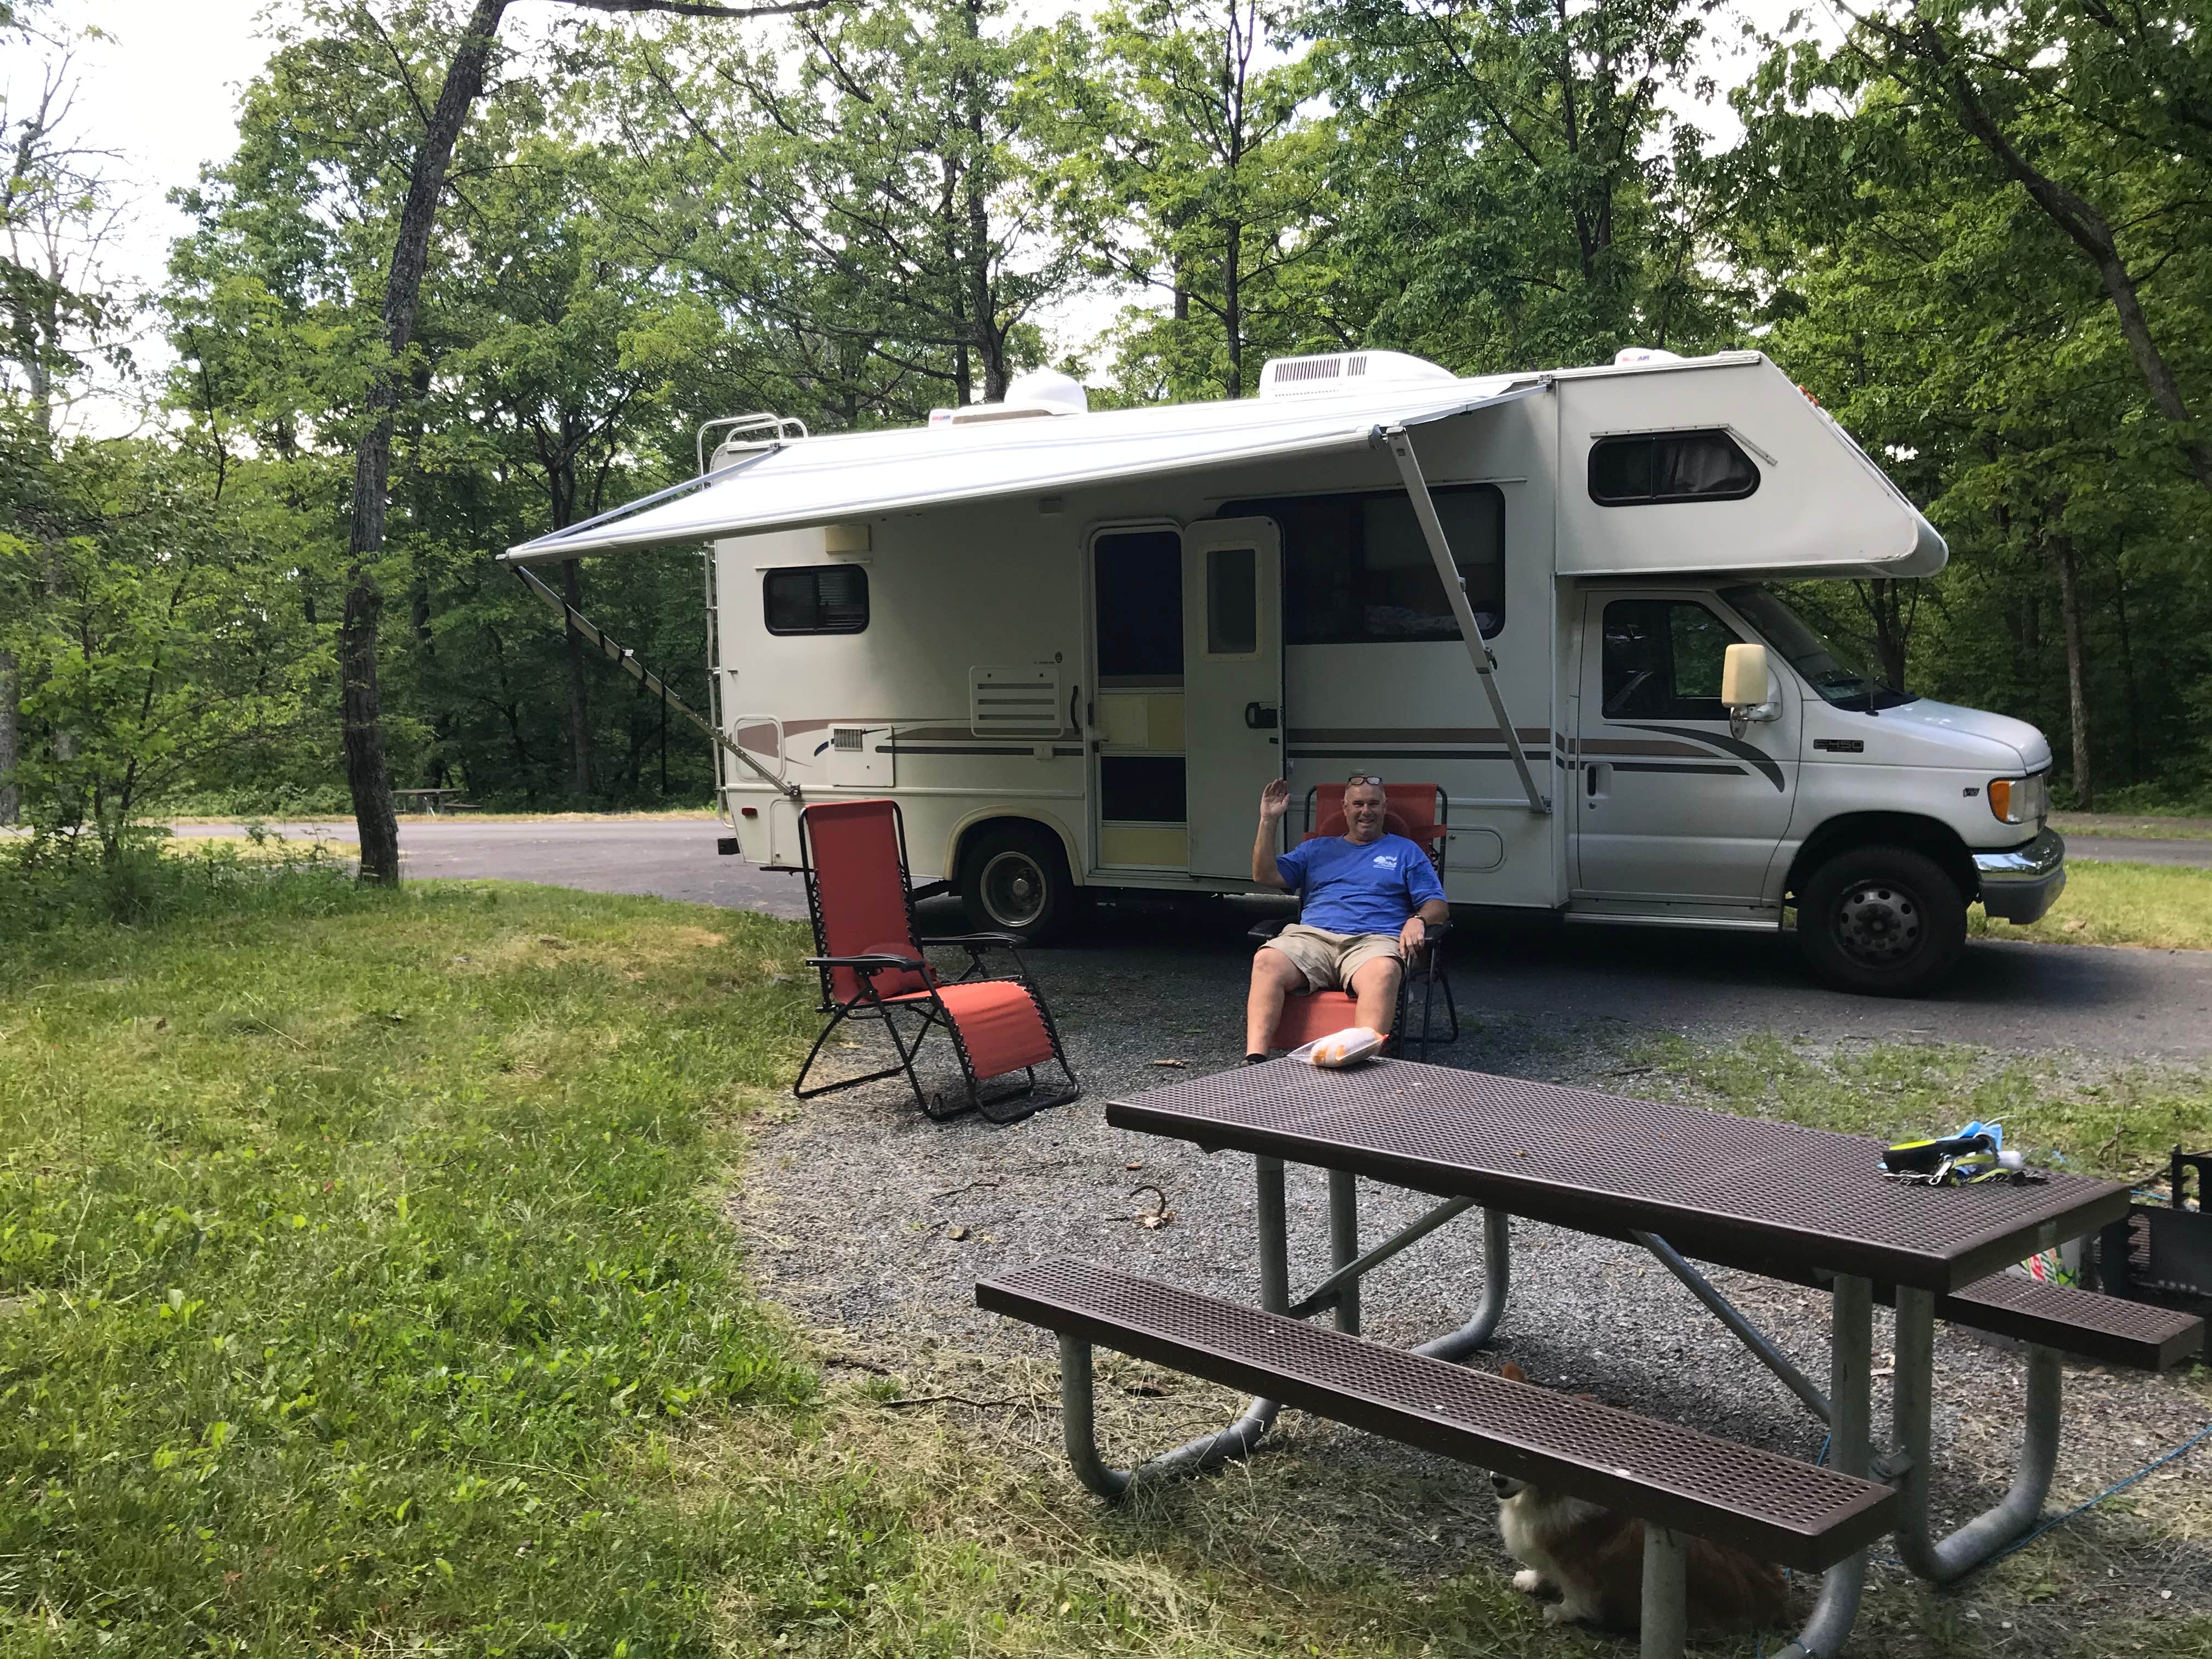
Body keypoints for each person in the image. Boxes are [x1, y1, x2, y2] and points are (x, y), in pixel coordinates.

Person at [1244, 773, 1449, 1062]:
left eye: (1373, 804)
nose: (1366, 811)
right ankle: (1255, 1059)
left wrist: (1419, 920)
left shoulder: (1406, 851)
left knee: (1384, 972)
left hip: (1374, 941)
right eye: (1358, 804)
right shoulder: (1316, 849)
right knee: (1267, 960)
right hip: (1313, 938)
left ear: (1384, 808)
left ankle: (1360, 1064)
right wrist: (1268, 820)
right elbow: (1264, 875)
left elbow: (1438, 905)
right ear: (1344, 808)